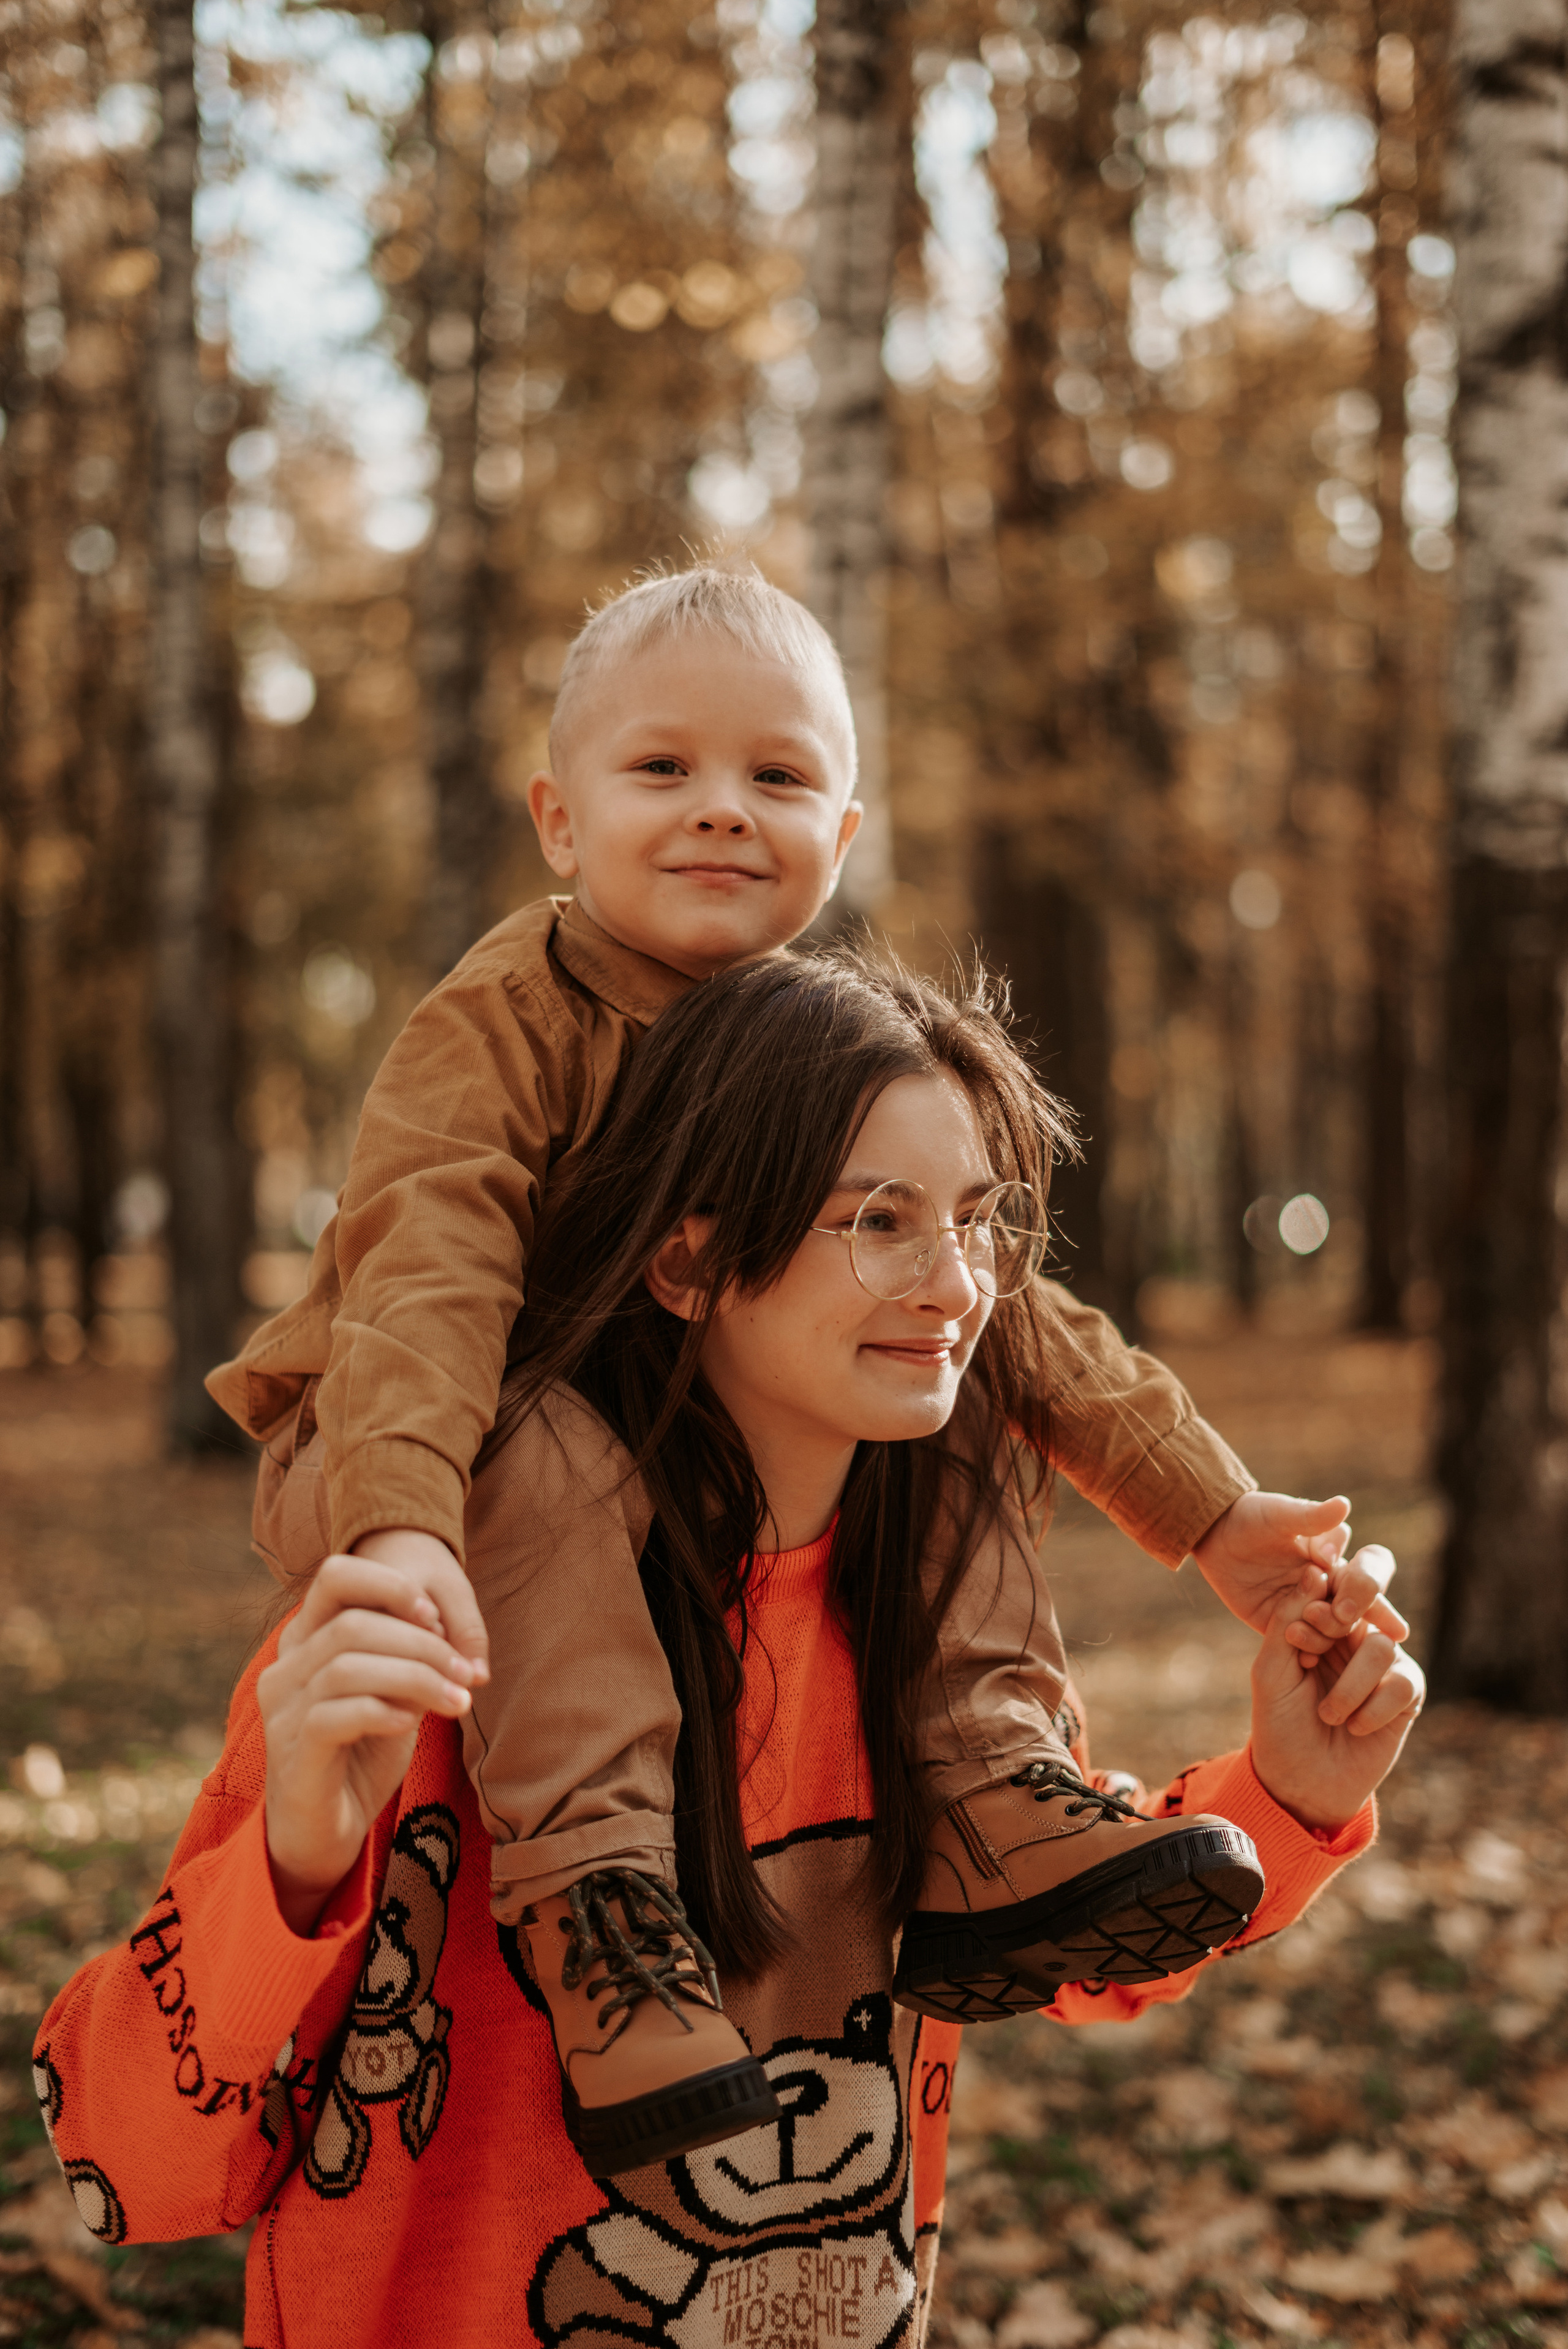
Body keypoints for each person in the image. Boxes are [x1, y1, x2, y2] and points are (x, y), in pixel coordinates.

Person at [32, 954, 1422, 2349]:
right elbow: (128, 2164)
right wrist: (292, 1860)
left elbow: (1039, 1951)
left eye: (976, 1220)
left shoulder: (931, 1608)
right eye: (878, 1221)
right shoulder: (437, 1628)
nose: (952, 1285)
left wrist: (1282, 1793)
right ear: (689, 1260)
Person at [204, 564, 1401, 2038]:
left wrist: (1209, 1510)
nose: (721, 807)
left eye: (775, 776)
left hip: (652, 1461)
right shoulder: (501, 1020)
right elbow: (426, 1263)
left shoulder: (826, 1060)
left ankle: (983, 1796)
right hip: (416, 1452)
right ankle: (600, 1898)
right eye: (664, 768)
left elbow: (1004, 1304)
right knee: (552, 1449)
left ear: (837, 838)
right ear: (558, 820)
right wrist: (400, 1518)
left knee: (932, 1378)